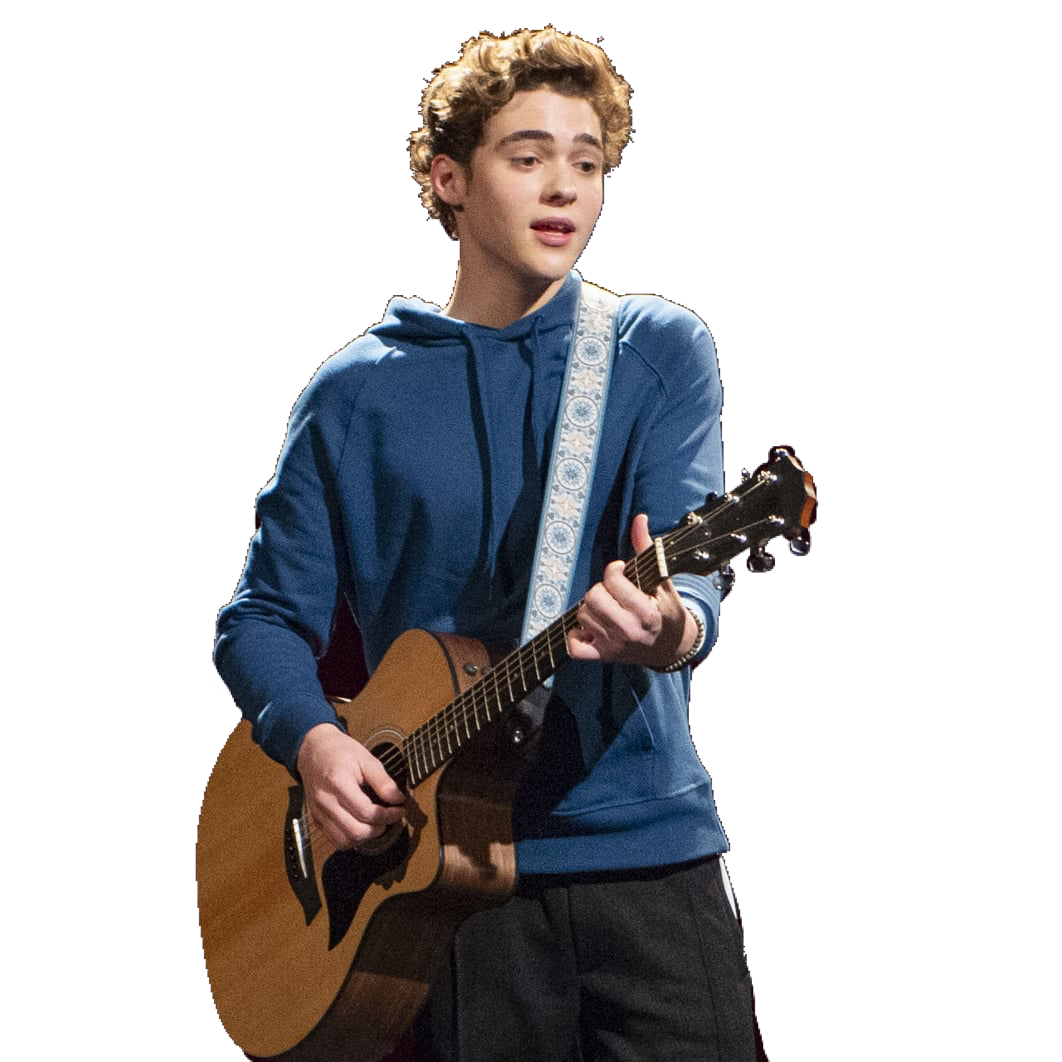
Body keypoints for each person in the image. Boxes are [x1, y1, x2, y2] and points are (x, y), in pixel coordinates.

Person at [215, 27, 757, 1062]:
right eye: (527, 156)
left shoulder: (655, 348)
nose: (564, 188)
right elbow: (262, 622)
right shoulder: (353, 393)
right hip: (452, 882)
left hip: (653, 853)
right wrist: (316, 743)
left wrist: (670, 628)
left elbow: (691, 589)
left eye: (587, 162)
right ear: (449, 179)